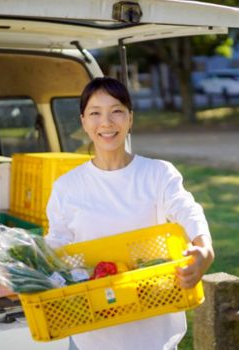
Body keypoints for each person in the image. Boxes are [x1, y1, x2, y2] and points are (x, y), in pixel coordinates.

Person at [45, 77, 214, 350]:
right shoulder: (67, 186)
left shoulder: (158, 173)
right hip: (92, 333)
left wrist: (204, 249)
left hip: (154, 331)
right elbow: (57, 243)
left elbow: (187, 209)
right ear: (84, 122)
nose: (106, 123)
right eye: (95, 113)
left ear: (130, 118)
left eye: (116, 111)